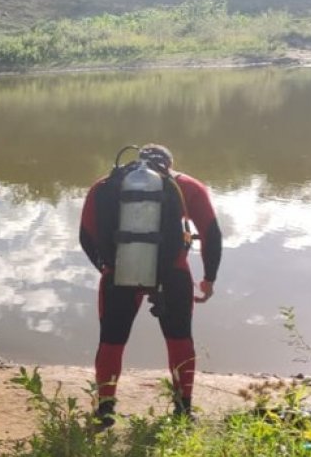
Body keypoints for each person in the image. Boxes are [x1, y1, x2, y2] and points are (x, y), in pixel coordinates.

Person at [79, 144, 223, 428]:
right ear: (169, 164)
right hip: (173, 274)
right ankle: (183, 410)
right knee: (180, 339)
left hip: (118, 274)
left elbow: (86, 236)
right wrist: (209, 279)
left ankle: (105, 411)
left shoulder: (105, 186)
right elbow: (212, 235)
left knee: (111, 341)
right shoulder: (187, 186)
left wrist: (108, 268)